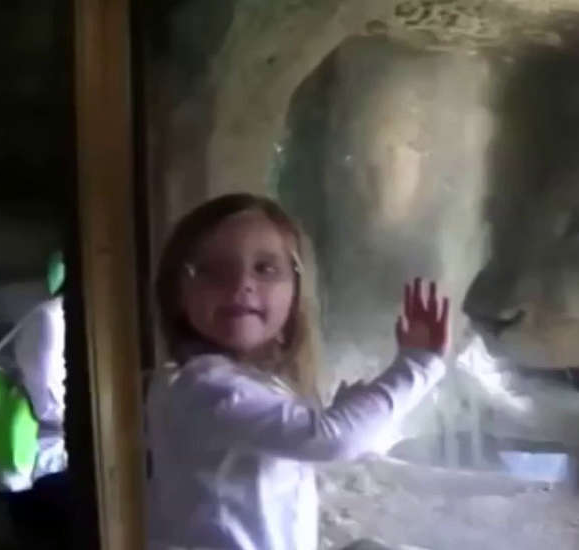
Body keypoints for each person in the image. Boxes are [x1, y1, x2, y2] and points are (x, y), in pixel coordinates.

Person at [145, 193, 450, 550]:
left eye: (265, 269)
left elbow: (308, 436)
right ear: (177, 293)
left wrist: (344, 411)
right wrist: (418, 365)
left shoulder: (213, 380)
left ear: (294, 292)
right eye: (212, 271)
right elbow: (334, 439)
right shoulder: (207, 386)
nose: (241, 284)